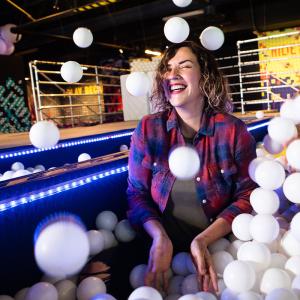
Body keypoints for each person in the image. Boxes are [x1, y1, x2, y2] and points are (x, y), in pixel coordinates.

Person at [126, 41, 257, 293]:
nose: (172, 74)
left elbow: (248, 196)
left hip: (218, 250)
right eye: (167, 68)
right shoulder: (148, 129)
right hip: (162, 250)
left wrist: (204, 240)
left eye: (184, 66)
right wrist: (159, 237)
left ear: (204, 76)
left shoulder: (231, 131)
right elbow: (136, 193)